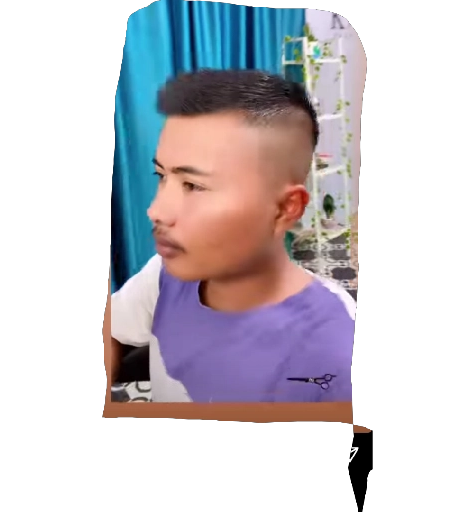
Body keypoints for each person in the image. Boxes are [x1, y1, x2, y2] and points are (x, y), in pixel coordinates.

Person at [104, 69, 356, 403]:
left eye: (194, 185)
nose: (156, 210)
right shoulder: (165, 276)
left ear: (285, 208)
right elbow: (113, 326)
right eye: (162, 176)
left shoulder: (333, 332)